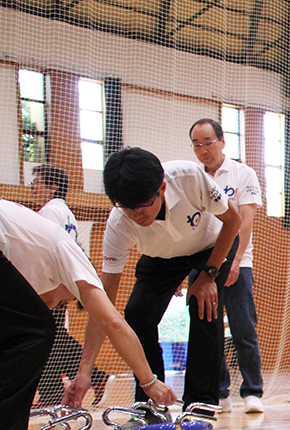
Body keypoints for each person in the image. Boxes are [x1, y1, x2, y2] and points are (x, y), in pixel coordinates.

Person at [0, 199, 176, 430]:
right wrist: (149, 381)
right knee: (36, 330)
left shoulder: (28, 253)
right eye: (66, 301)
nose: (59, 305)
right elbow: (113, 322)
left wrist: (84, 375)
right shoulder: (71, 257)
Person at [62, 147, 242, 410]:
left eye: (144, 205)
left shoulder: (189, 177)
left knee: (204, 307)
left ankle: (202, 404)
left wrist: (208, 275)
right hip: (161, 258)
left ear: (162, 187)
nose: (137, 216)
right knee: (137, 312)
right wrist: (84, 372)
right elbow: (101, 303)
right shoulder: (118, 225)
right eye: (128, 208)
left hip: (211, 246)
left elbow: (233, 220)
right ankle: (150, 401)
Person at [189, 119, 265, 414]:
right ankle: (218, 392)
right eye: (197, 144)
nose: (203, 149)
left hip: (237, 262)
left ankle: (252, 391)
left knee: (243, 327)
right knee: (207, 328)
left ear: (222, 141)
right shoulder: (193, 176)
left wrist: (233, 262)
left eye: (208, 142)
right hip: (201, 261)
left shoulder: (242, 173)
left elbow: (244, 222)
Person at [30, 164, 109, 406]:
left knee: (46, 337)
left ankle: (94, 376)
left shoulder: (49, 211)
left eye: (37, 183)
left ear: (52, 186)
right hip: (60, 283)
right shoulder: (65, 212)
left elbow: (43, 251)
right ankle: (52, 394)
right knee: (50, 339)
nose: (32, 188)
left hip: (50, 285)